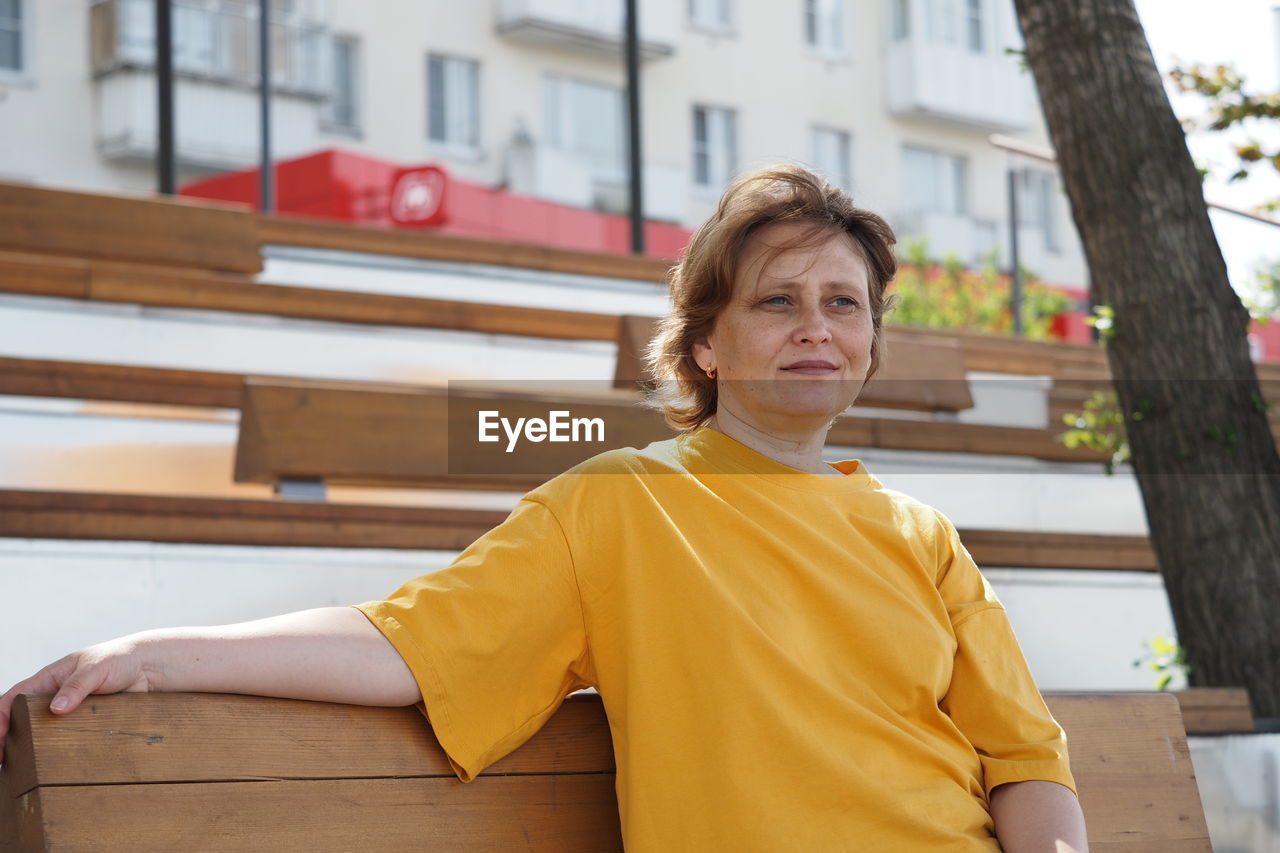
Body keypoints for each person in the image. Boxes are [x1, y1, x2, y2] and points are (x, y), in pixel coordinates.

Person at [0, 165, 1088, 852]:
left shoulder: (920, 535)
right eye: (776, 301)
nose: (815, 326)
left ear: (867, 344)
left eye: (840, 303)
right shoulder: (619, 504)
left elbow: (1025, 763)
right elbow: (406, 641)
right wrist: (152, 652)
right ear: (706, 345)